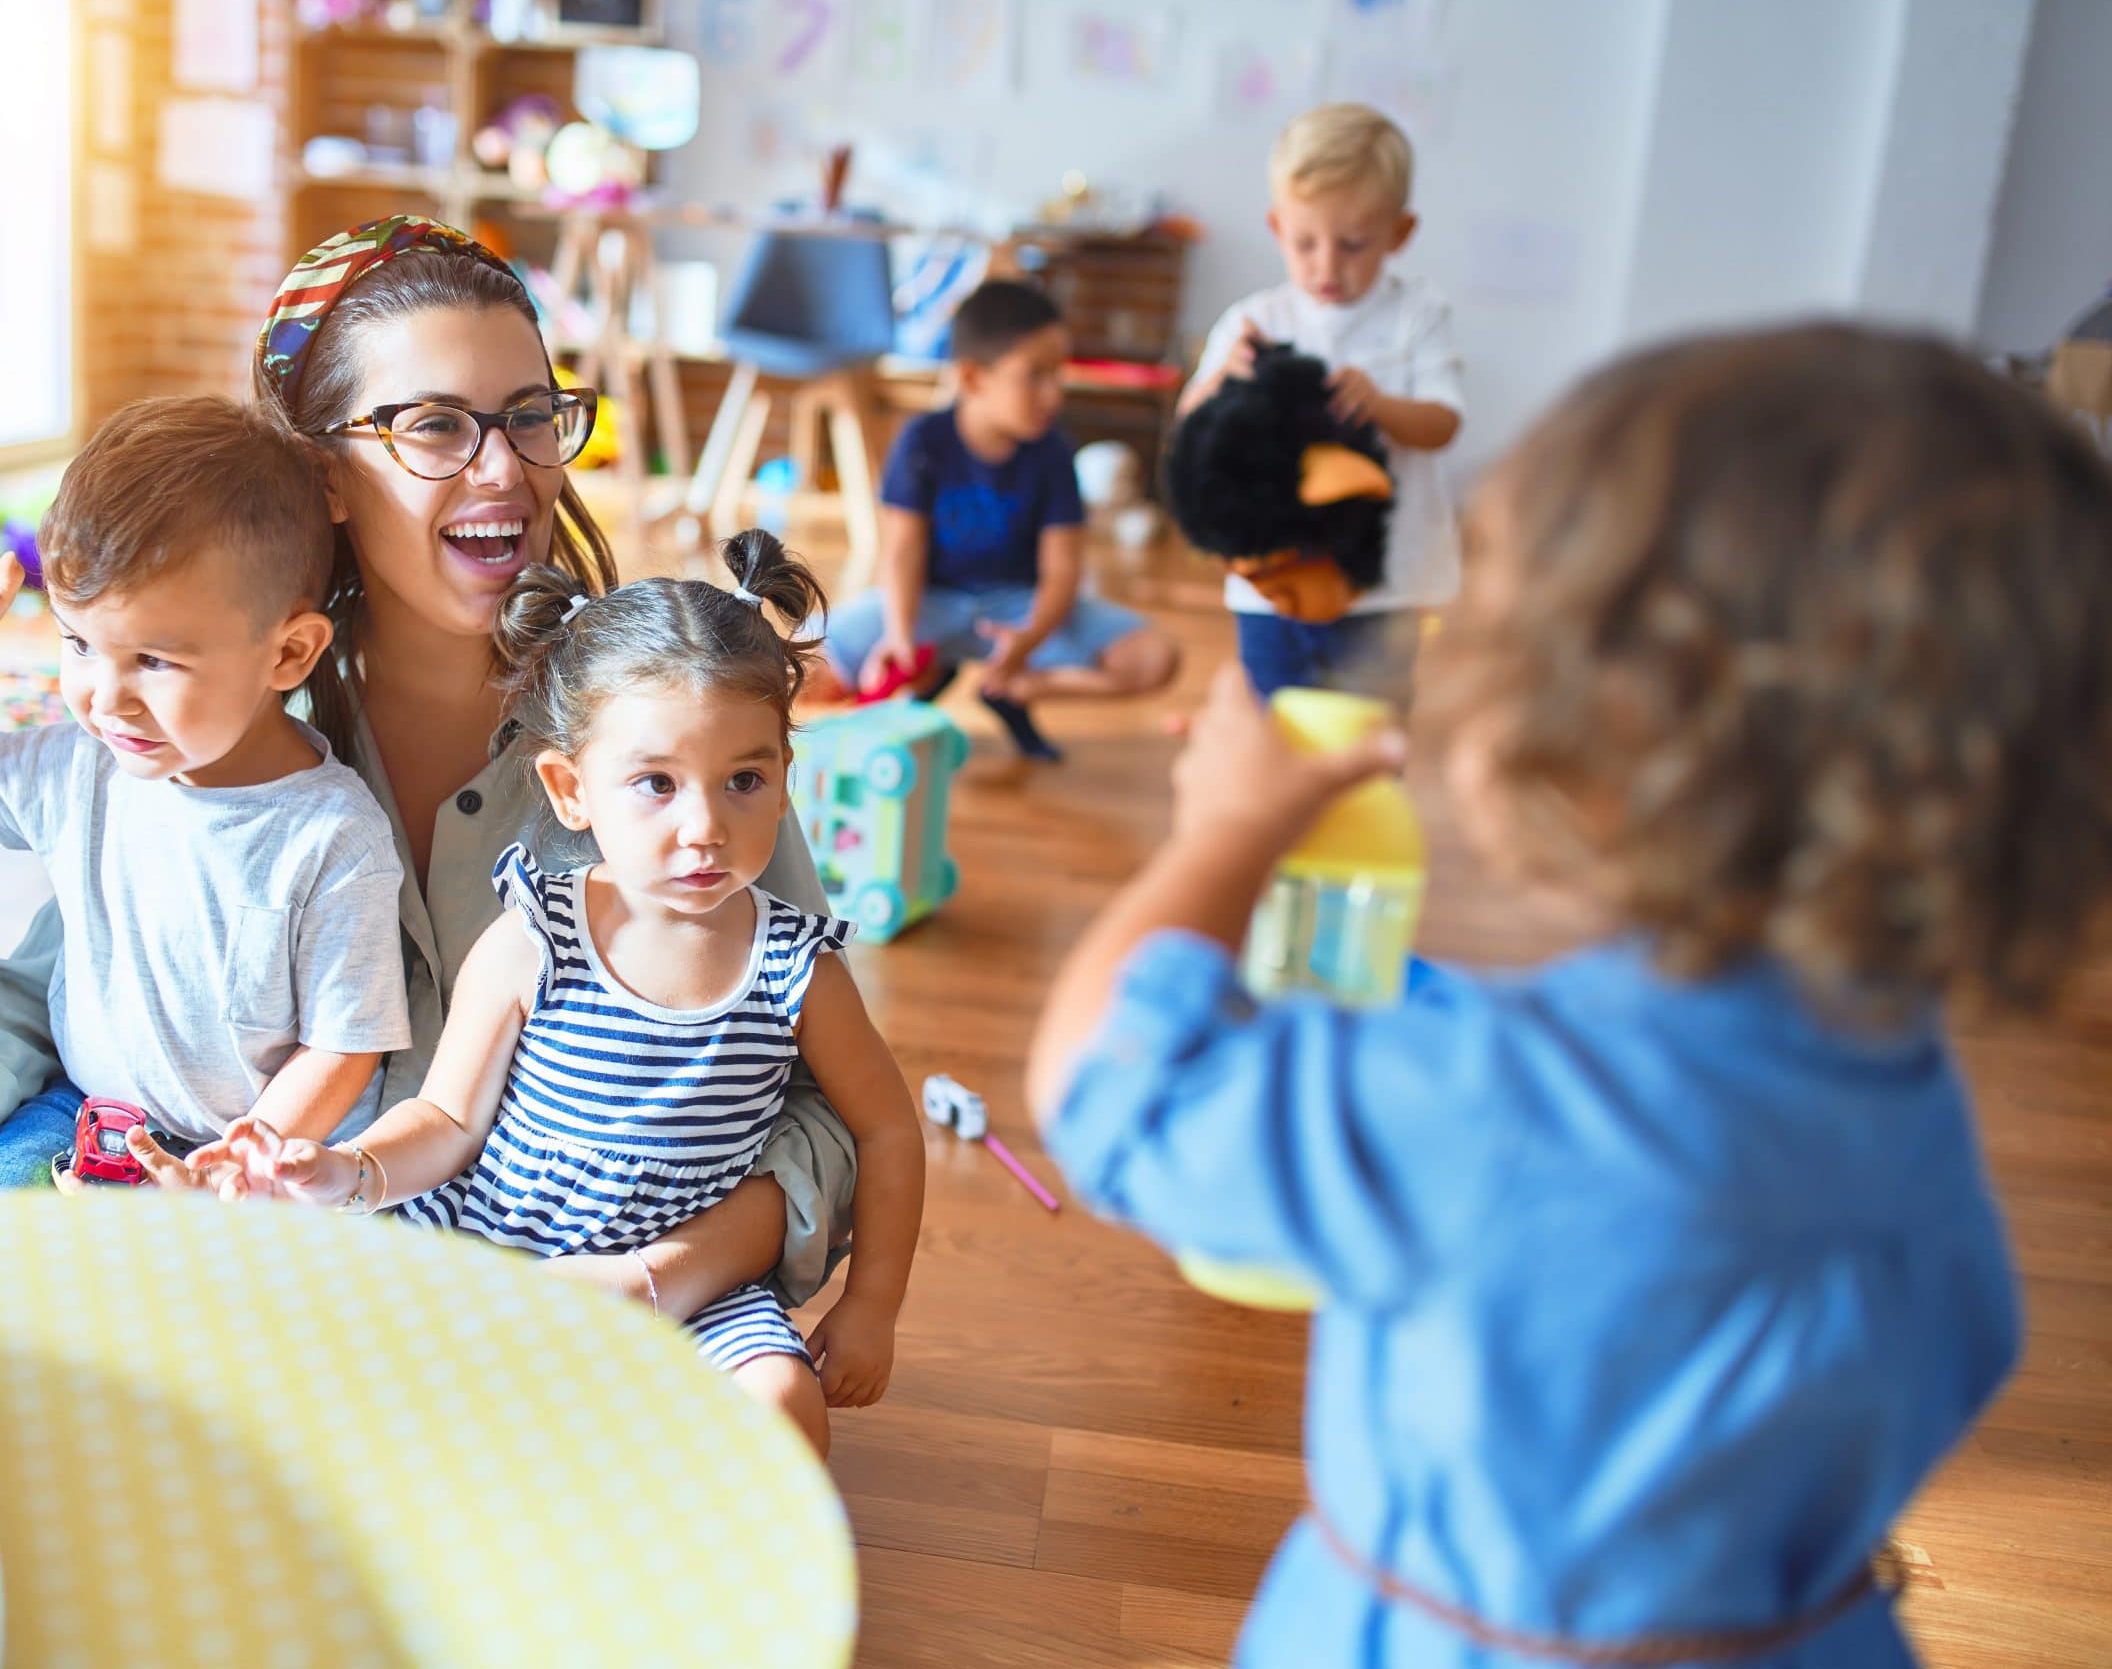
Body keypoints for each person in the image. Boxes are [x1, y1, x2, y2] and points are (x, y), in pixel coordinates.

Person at [1032, 324, 2104, 1665]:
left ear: (1605, 740)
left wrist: (1220, 838)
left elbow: (1106, 1086)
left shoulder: (1496, 1100)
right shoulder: (1907, 1102)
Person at [0, 216, 860, 1335]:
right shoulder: (215, 717)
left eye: (527, 415)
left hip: (509, 1302)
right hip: (212, 1241)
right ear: (320, 475)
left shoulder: (660, 738)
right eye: (433, 426)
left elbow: (818, 1106)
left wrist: (660, 1276)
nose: (503, 468)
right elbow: (49, 984)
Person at [181, 532, 926, 1455]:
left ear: (783, 785)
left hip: (692, 1285)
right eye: (655, 784)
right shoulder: (537, 934)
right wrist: (352, 1171)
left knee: (784, 1401)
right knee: (317, 1346)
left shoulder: (796, 965)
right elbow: (449, 1120)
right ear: (571, 792)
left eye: (744, 780)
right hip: (495, 1240)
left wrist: (873, 1306)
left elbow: (888, 1130)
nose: (704, 826)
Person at [0, 397, 410, 1185]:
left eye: (153, 661)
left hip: (264, 1156)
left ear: (289, 653)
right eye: (79, 643)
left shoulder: (330, 834)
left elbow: (345, 1042)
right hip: (94, 1117)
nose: (105, 697)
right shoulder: (84, 767)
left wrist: (244, 1160)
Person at [818, 280, 1179, 762]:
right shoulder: (923, 440)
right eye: (1035, 375)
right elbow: (903, 551)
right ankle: (925, 678)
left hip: (1019, 608)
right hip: (931, 602)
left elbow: (1063, 572)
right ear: (971, 378)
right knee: (800, 664)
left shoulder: (1053, 454)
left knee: (1155, 656)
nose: (1054, 393)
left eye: (1059, 374)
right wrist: (900, 636)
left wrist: (1028, 639)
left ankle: (1014, 689)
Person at [1177, 102, 1462, 701]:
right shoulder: (1254, 319)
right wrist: (1222, 379)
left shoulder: (1419, 315)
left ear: (1400, 233)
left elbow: (1443, 425)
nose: (1327, 265)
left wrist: (1381, 405)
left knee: (1373, 728)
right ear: (1277, 227)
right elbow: (1190, 423)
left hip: (1387, 581)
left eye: (1354, 244)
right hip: (1272, 573)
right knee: (1274, 716)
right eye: (1305, 243)